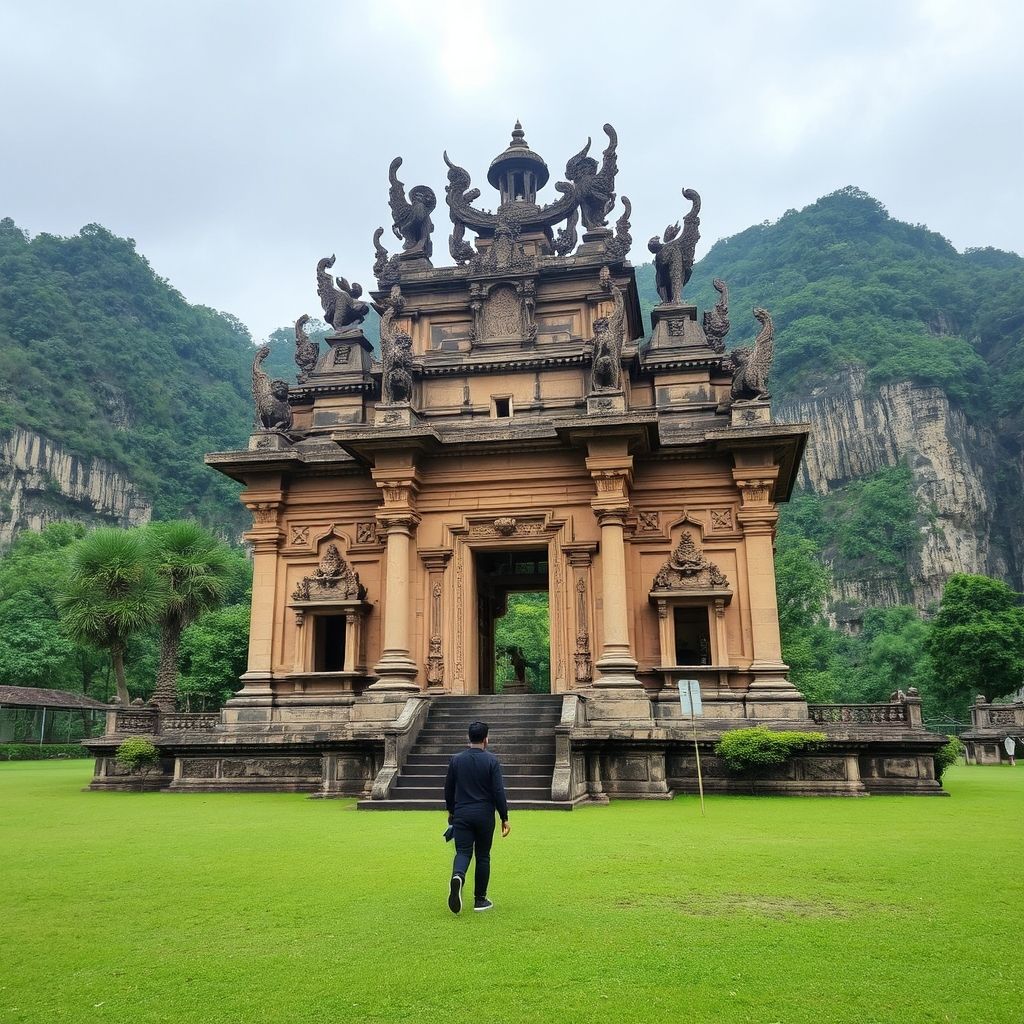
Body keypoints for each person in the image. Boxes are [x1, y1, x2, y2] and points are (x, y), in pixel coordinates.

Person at [444, 720, 510, 914]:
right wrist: (504, 817)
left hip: (462, 813)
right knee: (483, 856)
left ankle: (458, 876)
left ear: (468, 738)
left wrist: (451, 811)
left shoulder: (456, 760)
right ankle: (480, 900)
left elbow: (448, 789)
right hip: (484, 815)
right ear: (486, 739)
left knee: (463, 852)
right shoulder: (491, 761)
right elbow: (498, 791)